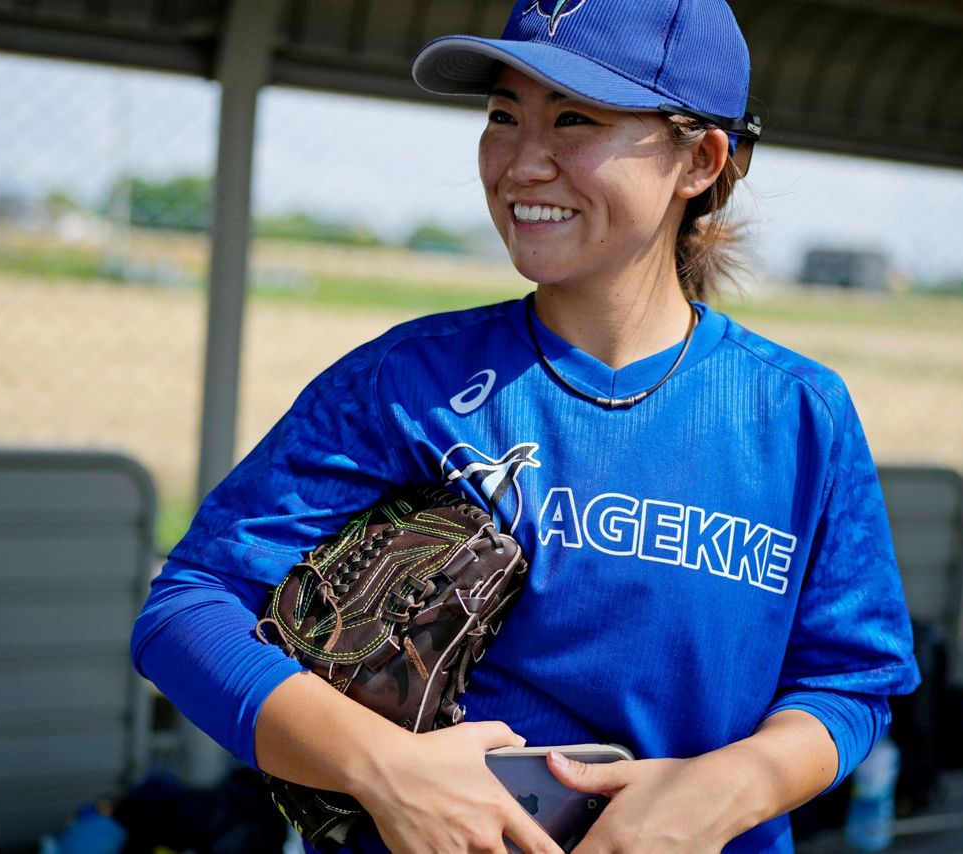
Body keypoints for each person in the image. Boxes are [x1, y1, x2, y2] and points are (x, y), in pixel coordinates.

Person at [130, 0, 921, 851]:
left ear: (699, 159)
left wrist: (726, 792)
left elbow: (851, 679)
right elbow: (187, 610)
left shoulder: (798, 414)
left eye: (574, 119)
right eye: (503, 115)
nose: (522, 162)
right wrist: (383, 768)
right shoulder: (404, 384)